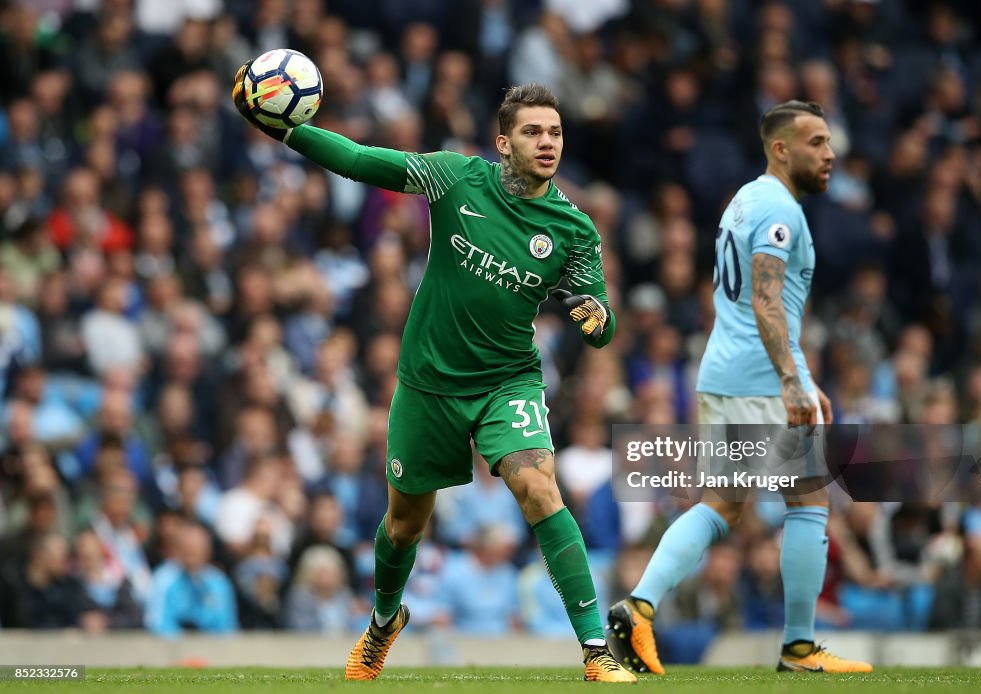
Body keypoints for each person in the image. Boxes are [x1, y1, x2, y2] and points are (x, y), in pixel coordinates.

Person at [232, 64, 635, 683]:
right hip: (428, 383)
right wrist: (285, 131)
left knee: (539, 489)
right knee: (403, 526)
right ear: (503, 143)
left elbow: (601, 324)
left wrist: (595, 316)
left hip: (507, 381)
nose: (547, 143)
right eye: (532, 132)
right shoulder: (455, 177)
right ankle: (383, 621)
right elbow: (360, 161)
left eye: (555, 132)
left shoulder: (574, 229)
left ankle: (595, 651)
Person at [606, 101, 873, 674]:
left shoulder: (745, 200)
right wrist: (790, 380)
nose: (830, 155)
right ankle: (799, 647)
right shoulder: (779, 209)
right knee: (809, 503)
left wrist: (805, 375)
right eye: (817, 143)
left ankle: (638, 607)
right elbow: (766, 298)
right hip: (760, 378)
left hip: (726, 372)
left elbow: (768, 303)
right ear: (781, 148)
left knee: (722, 504)